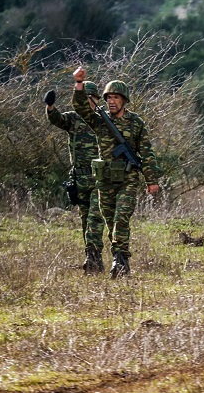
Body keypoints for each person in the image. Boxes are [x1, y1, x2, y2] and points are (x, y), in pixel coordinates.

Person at [71, 69, 160, 278]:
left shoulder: (136, 123)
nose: (111, 101)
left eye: (116, 98)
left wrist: (151, 180)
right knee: (110, 222)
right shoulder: (100, 121)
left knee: (121, 218)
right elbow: (80, 108)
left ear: (124, 100)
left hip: (127, 180)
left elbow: (147, 153)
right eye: (109, 97)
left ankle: (121, 263)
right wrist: (78, 83)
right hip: (105, 181)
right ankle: (113, 257)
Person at [45, 82, 107, 273]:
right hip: (80, 177)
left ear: (96, 100)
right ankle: (91, 257)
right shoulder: (73, 119)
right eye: (83, 99)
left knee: (96, 218)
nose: (87, 102)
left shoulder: (103, 119)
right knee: (85, 218)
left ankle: (94, 257)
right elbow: (57, 119)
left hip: (100, 176)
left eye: (90, 99)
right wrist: (50, 107)